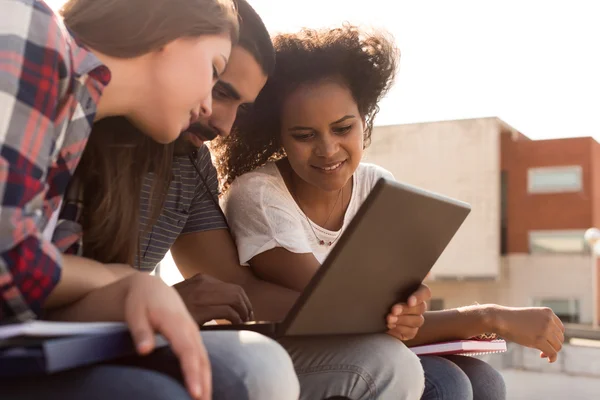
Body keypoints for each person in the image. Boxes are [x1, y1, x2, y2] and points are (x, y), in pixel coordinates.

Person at [73, 4, 426, 399]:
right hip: (81, 339)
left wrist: (370, 316)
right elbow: (30, 279)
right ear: (163, 50)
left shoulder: (190, 163)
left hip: (135, 333)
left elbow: (237, 286)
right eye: (218, 86)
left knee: (400, 366)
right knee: (254, 369)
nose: (221, 122)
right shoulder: (66, 128)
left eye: (242, 108)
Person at [218, 25, 567, 400]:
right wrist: (490, 318)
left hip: (366, 344)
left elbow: (391, 309)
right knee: (446, 384)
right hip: (296, 355)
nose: (328, 149)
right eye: (304, 135)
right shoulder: (258, 195)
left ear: (364, 119)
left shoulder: (377, 185)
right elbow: (347, 316)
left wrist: (412, 304)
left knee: (485, 382)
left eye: (342, 128)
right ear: (279, 136)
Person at [0, 1, 299, 400]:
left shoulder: (74, 126)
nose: (215, 113)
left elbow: (39, 302)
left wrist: (136, 294)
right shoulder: (31, 28)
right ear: (168, 33)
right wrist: (127, 281)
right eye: (214, 72)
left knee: (250, 368)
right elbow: (13, 260)